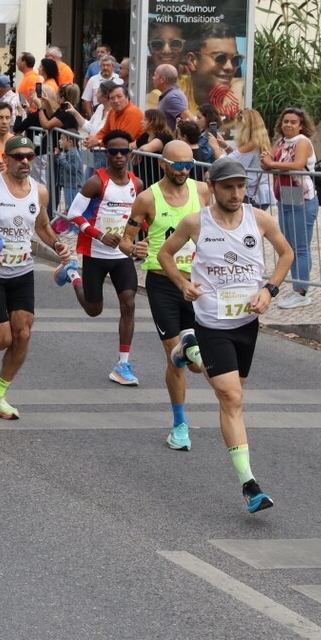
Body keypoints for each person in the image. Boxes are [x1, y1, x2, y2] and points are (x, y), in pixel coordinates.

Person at [157, 158, 294, 513]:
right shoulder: (195, 222)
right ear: (212, 186)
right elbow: (165, 254)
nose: (235, 193)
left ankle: (188, 352)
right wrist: (182, 284)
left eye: (241, 186)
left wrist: (269, 290)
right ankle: (250, 486)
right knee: (231, 397)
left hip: (246, 324)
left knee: (235, 392)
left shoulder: (259, 219)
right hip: (211, 323)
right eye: (228, 187)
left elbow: (286, 253)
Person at [0, 136, 72, 419]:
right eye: (18, 156)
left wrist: (57, 245)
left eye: (30, 156)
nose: (25, 161)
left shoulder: (39, 191)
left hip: (22, 271)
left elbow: (42, 225)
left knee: (24, 333)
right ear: (6, 159)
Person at [123, 140, 211, 451]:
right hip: (162, 285)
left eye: (189, 165)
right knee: (176, 360)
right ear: (163, 164)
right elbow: (126, 239)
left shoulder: (202, 191)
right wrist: (135, 248)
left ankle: (186, 348)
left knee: (197, 364)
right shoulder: (147, 198)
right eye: (178, 166)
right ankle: (180, 425)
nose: (184, 171)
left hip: (197, 285)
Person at [57, 128, 144, 385]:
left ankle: (123, 364)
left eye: (124, 151)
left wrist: (142, 238)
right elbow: (73, 213)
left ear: (129, 153)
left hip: (121, 255)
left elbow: (140, 217)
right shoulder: (96, 182)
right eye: (113, 151)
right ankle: (73, 275)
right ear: (106, 153)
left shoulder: (137, 184)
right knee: (94, 310)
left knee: (128, 303)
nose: (119, 156)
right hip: (95, 252)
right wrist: (99, 235)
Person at [261, 107, 319, 308]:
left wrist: (271, 163)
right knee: (289, 245)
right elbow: (269, 164)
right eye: (286, 121)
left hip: (302, 196)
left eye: (293, 122)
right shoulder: (280, 142)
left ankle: (301, 291)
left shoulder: (302, 142)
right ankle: (297, 286)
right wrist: (267, 162)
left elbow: (297, 164)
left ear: (301, 125)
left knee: (301, 246)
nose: (288, 125)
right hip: (286, 195)